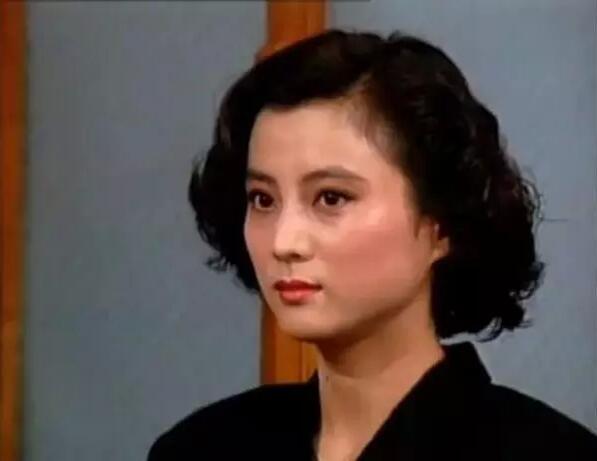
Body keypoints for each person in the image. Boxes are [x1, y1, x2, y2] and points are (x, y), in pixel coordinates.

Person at [148, 29, 597, 460]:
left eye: (331, 198)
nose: (284, 242)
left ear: (441, 223)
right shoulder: (200, 449)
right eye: (263, 199)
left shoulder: (551, 453)